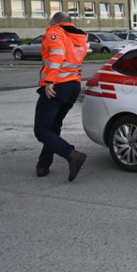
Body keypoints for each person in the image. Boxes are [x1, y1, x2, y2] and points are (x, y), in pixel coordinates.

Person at [34, 12, 89, 181]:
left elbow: (57, 55)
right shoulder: (79, 37)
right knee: (53, 126)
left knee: (41, 130)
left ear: (55, 21)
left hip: (56, 86)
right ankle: (43, 165)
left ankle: (71, 154)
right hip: (73, 86)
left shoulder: (55, 32)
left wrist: (50, 81)